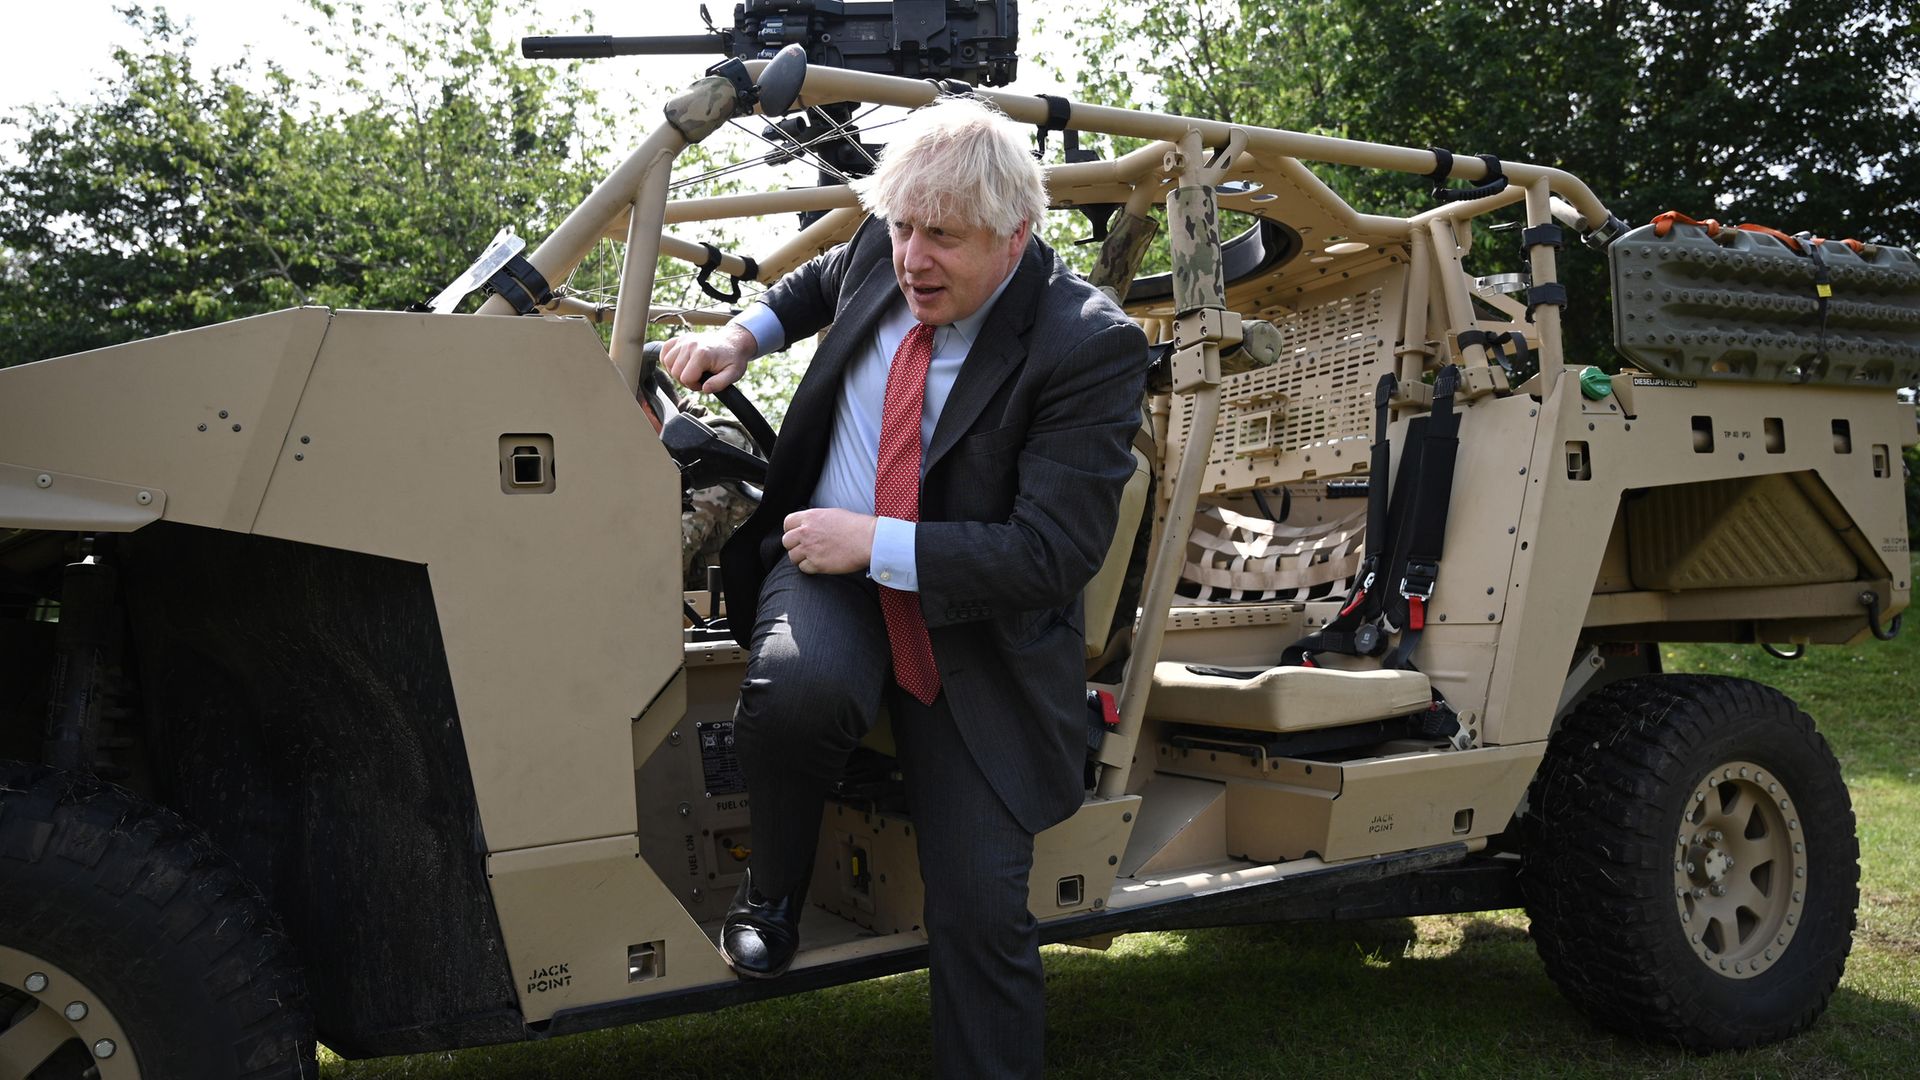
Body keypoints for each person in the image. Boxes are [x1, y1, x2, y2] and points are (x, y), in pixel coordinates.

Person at [660, 95, 1146, 1078]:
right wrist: (743, 335)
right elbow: (825, 279)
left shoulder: (1089, 345)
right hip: (829, 578)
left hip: (975, 635)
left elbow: (1050, 554)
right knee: (796, 695)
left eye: (943, 240)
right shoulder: (892, 249)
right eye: (903, 228)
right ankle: (771, 898)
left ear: (1017, 237)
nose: (913, 259)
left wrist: (875, 541)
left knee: (977, 910)